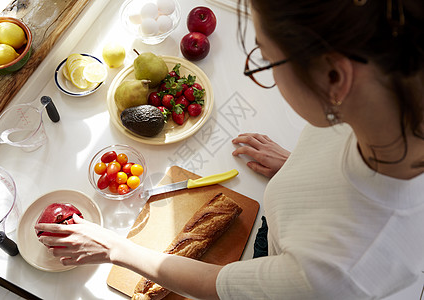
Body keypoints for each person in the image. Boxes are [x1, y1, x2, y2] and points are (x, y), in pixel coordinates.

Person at [35, 0, 424, 299]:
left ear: (334, 77)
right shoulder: (387, 100)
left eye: (267, 59)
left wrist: (113, 247)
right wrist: (300, 169)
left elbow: (219, 285)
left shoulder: (336, 272)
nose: (266, 69)